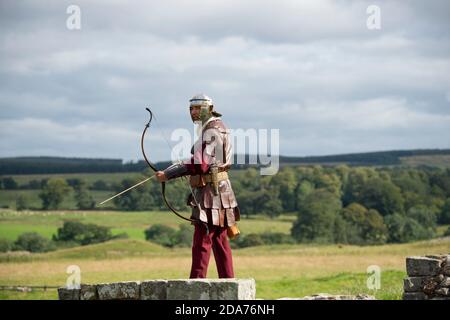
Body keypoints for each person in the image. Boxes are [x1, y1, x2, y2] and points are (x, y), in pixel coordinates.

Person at [155, 94, 240, 279]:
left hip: (212, 192)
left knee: (203, 240)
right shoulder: (216, 127)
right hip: (220, 191)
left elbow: (200, 165)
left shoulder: (212, 130)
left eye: (198, 108)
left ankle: (195, 287)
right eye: (191, 109)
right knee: (219, 240)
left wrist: (168, 174)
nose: (194, 112)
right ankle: (229, 284)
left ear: (209, 109)